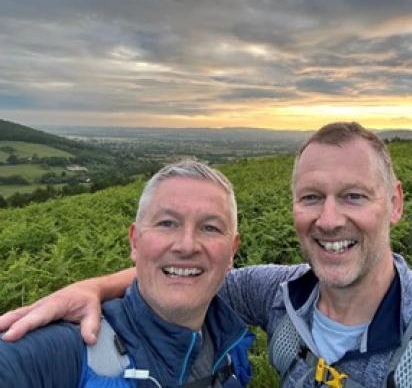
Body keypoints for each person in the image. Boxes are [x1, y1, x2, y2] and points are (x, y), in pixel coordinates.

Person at [1, 122, 412, 387]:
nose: (331, 219)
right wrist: (88, 289)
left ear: (395, 203)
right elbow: (189, 275)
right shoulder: (277, 294)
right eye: (312, 197)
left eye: (355, 196)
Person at [0, 161, 254, 387]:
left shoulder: (231, 342)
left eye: (210, 228)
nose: (187, 246)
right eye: (167, 223)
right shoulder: (70, 349)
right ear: (135, 241)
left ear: (232, 251)